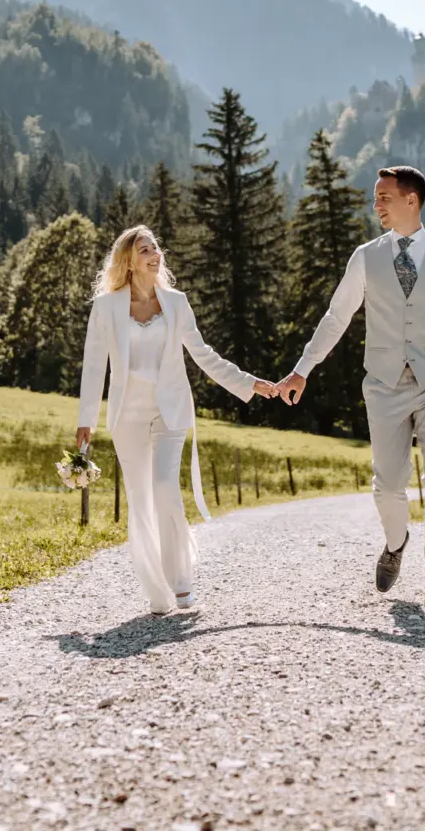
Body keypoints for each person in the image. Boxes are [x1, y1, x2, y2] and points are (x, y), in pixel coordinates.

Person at [276, 166, 425, 611]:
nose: (376, 205)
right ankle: (396, 543)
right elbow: (336, 318)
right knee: (388, 486)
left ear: (411, 200)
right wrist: (303, 369)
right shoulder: (366, 257)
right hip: (383, 385)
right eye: (376, 197)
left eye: (384, 197)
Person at [76, 226, 278, 615]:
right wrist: (86, 419)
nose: (155, 253)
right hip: (126, 416)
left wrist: (252, 384)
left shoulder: (177, 302)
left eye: (156, 247)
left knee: (166, 486)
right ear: (129, 261)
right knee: (139, 500)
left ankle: (182, 579)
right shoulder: (106, 307)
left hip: (170, 411)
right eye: (144, 249)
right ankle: (156, 591)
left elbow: (205, 356)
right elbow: (93, 365)